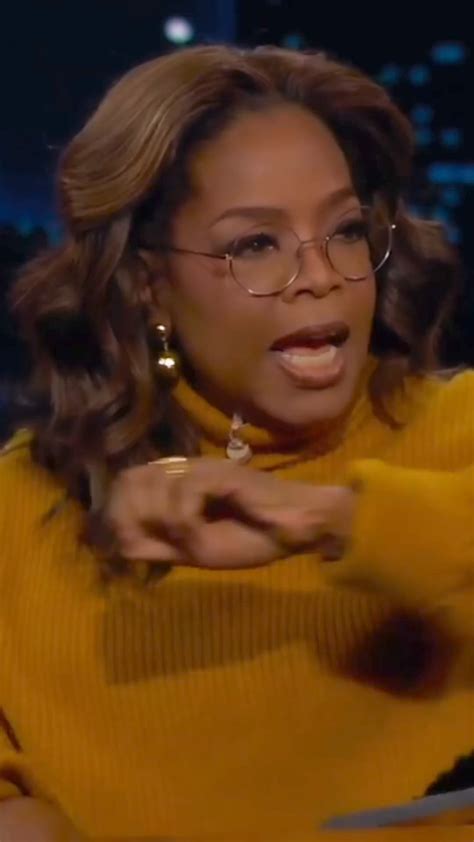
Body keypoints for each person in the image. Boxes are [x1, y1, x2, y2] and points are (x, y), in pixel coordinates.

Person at [0, 43, 473, 841]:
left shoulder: (459, 432)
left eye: (346, 231)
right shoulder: (21, 509)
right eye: (256, 244)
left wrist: (327, 520)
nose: (321, 275)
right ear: (147, 285)